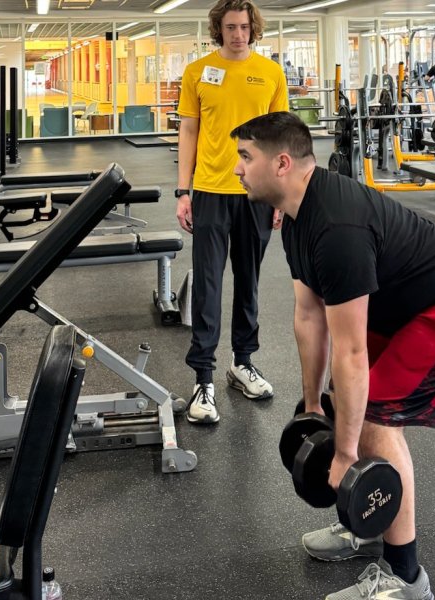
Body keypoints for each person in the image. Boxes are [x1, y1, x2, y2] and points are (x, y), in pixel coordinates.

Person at [231, 111, 435, 600]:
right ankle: (365, 525)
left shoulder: (335, 228)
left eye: (245, 156)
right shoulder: (295, 216)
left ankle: (407, 579)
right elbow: (310, 317)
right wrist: (313, 407)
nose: (237, 168)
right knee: (347, 403)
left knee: (376, 418)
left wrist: (345, 453)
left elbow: (351, 349)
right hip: (403, 305)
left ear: (281, 163)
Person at [175, 0, 289, 424]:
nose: (238, 34)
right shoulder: (197, 72)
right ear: (218, 29)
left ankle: (243, 362)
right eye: (229, 27)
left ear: (253, 28)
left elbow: (280, 137)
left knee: (249, 280)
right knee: (207, 284)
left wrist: (280, 193)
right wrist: (183, 191)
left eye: (243, 26)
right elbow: (189, 130)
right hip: (209, 189)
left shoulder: (271, 73)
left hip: (256, 192)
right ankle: (202, 378)